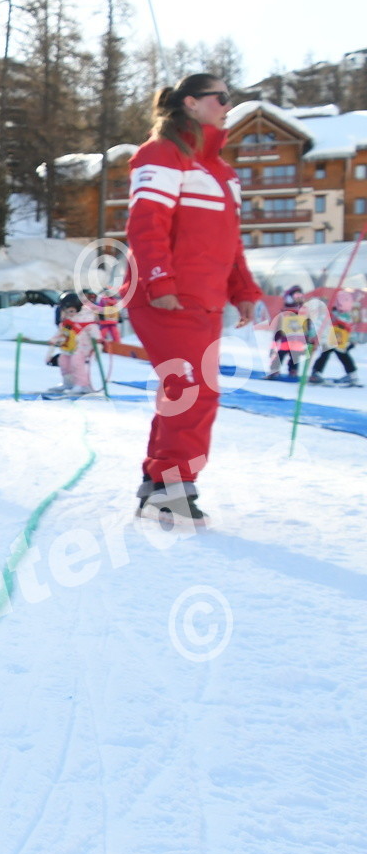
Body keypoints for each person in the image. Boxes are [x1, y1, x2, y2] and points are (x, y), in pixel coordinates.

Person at [123, 74, 260, 528]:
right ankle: (171, 489)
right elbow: (146, 222)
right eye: (220, 97)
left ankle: (158, 485)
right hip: (166, 296)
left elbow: (230, 241)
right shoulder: (162, 154)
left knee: (184, 389)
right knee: (194, 391)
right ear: (191, 103)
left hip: (204, 299)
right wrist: (159, 281)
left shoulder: (223, 173)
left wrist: (243, 290)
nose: (227, 105)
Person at [46, 292, 99, 395]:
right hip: (69, 346)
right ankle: (68, 382)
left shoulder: (86, 319)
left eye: (71, 311)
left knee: (76, 362)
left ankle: (82, 384)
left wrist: (97, 340)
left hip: (83, 347)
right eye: (66, 311)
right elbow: (61, 331)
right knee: (63, 361)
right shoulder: (67, 321)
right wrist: (54, 339)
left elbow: (94, 330)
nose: (69, 313)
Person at [311, 289, 359, 386]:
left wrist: (353, 340)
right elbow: (320, 323)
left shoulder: (348, 316)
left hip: (340, 340)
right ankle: (316, 373)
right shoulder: (329, 313)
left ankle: (352, 374)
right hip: (329, 338)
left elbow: (351, 328)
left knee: (343, 355)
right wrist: (313, 335)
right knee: (325, 354)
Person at [266, 286, 311, 379]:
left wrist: (307, 337)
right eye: (296, 296)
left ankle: (292, 370)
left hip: (297, 339)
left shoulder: (303, 310)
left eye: (300, 296)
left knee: (295, 355)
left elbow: (308, 324)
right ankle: (275, 370)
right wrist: (276, 337)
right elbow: (279, 325)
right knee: (281, 354)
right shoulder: (285, 311)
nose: (298, 298)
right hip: (287, 338)